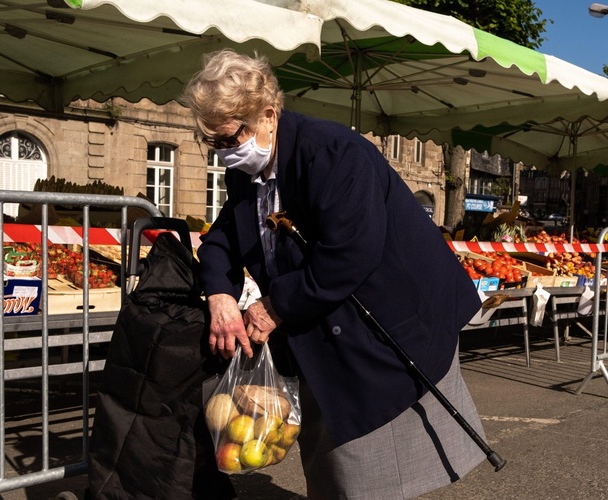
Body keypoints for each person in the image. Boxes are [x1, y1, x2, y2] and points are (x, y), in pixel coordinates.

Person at [180, 49, 486, 499]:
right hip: (321, 326)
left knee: (370, 461)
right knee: (330, 459)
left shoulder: (334, 152)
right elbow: (224, 236)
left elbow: (348, 253)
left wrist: (272, 308)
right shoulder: (249, 172)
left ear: (268, 115)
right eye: (216, 145)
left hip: (385, 327)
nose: (226, 154)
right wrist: (220, 294)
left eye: (232, 139)